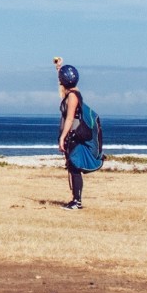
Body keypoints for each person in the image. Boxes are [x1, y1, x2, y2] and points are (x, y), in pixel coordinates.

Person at [53, 56, 91, 210]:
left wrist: (62, 138)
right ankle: (75, 200)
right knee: (72, 167)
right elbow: (62, 87)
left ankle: (77, 201)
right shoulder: (70, 93)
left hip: (73, 135)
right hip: (71, 135)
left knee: (75, 168)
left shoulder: (73, 96)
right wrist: (58, 68)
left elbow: (69, 119)